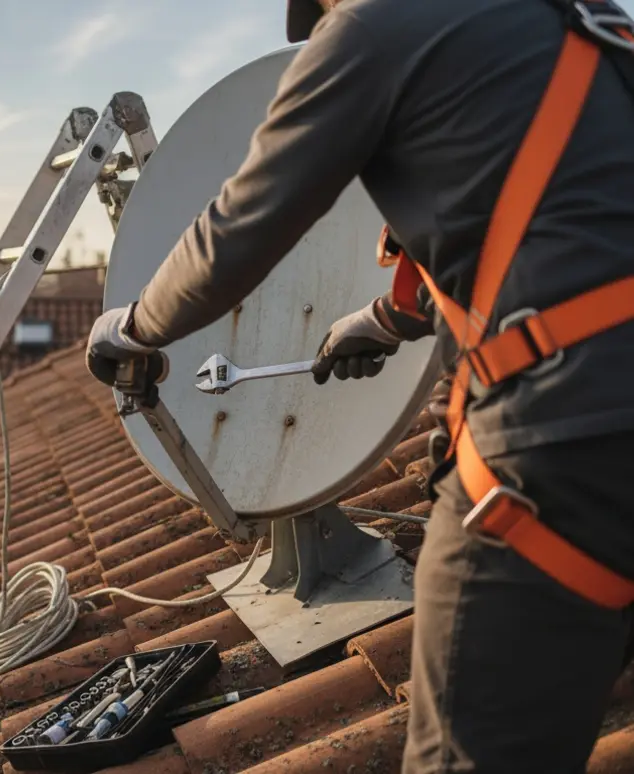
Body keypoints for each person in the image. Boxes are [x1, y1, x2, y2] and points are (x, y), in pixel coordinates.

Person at [85, 0, 634, 771]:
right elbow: (559, 211)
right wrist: (390, 316)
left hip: (567, 454)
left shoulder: (373, 27)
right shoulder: (575, 16)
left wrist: (134, 327)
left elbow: (240, 227)